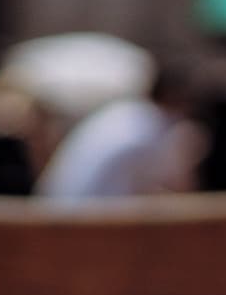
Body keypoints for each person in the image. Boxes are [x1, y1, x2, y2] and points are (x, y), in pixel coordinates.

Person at [38, 67, 200, 202]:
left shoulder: (124, 112)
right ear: (176, 97)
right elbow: (167, 186)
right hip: (83, 223)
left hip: (56, 207)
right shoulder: (147, 130)